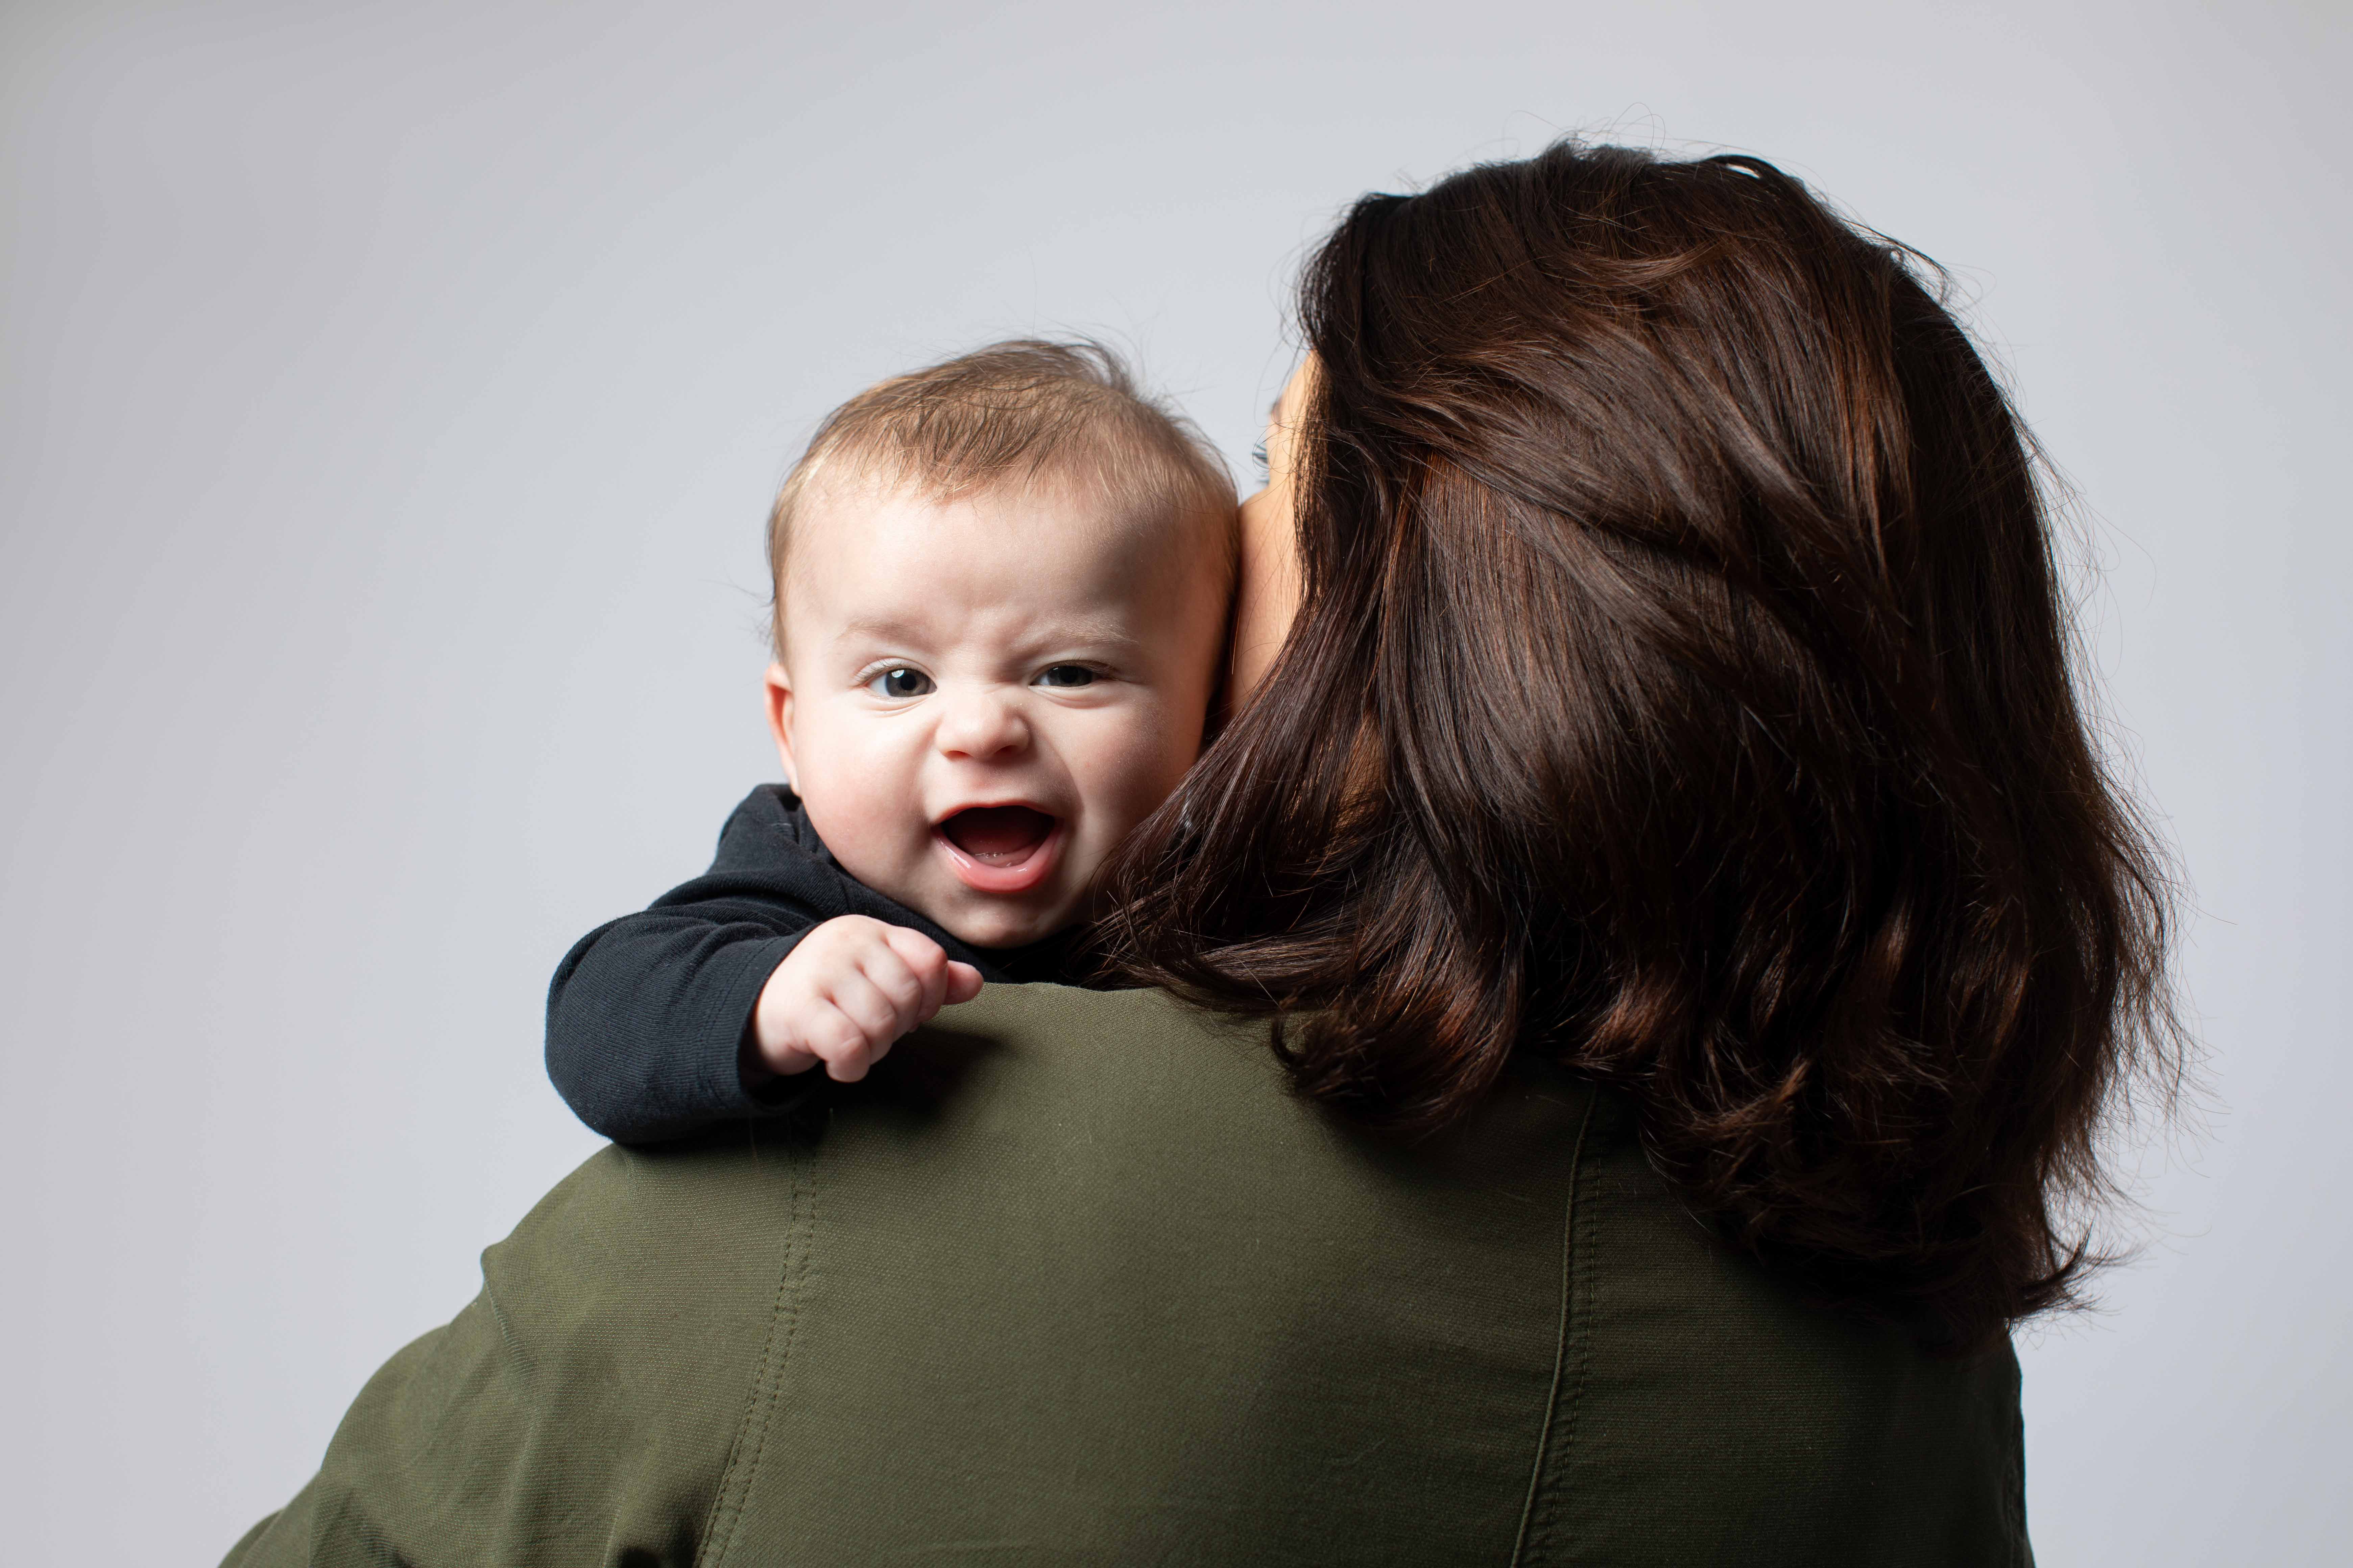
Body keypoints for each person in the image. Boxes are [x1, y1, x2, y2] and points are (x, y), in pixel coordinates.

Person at [223, 141, 2174, 1566]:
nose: (1222, 553)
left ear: (1423, 618)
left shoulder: (838, 1168)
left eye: (1269, 473)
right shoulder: (1910, 1345)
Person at [543, 341, 1235, 1143]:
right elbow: (599, 1019)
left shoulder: (1222, 894)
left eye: (1068, 673)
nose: (981, 730)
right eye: (902, 681)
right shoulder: (796, 893)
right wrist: (770, 997)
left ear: (1214, 716)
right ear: (792, 729)